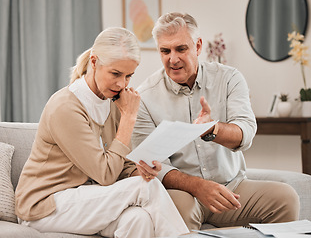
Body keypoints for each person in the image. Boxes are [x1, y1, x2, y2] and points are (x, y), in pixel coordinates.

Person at [15, 27, 189, 238]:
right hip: (44, 206)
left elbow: (121, 165)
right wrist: (129, 118)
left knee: (138, 218)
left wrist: (140, 171)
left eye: (128, 76)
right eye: (115, 73)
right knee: (145, 189)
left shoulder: (113, 102)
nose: (122, 84)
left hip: (86, 199)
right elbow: (105, 174)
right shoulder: (66, 107)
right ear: (94, 62)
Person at [132, 12, 300, 230]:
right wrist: (198, 186)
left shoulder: (229, 79)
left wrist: (213, 129)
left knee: (286, 198)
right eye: (165, 51)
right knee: (178, 208)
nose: (172, 59)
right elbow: (151, 163)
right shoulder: (144, 96)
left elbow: (246, 132)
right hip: (183, 193)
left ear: (198, 46)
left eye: (181, 49)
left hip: (233, 187)